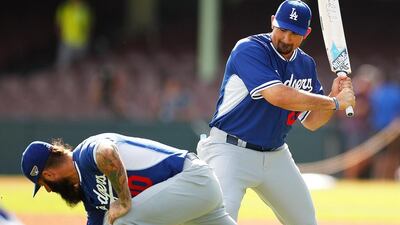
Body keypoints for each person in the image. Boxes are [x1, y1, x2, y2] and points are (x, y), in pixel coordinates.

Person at [196, 1, 355, 225]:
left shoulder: (305, 64)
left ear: (306, 33)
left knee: (306, 222)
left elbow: (311, 121)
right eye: (282, 29)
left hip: (276, 155)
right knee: (218, 221)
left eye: (295, 33)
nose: (286, 38)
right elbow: (278, 95)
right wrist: (334, 102)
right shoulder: (249, 49)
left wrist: (332, 95)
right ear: (273, 21)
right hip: (229, 151)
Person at [21, 133, 237, 225]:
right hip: (193, 195)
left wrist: (124, 201)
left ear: (49, 175)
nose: (49, 190)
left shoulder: (85, 154)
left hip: (192, 179)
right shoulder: (90, 198)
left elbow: (106, 153)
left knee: (122, 220)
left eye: (44, 185)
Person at [55, 0, 93, 70]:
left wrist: (87, 36)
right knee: (63, 64)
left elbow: (89, 25)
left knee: (82, 63)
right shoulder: (64, 9)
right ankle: (62, 77)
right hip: (67, 41)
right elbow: (58, 23)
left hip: (81, 41)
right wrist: (60, 35)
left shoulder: (85, 10)